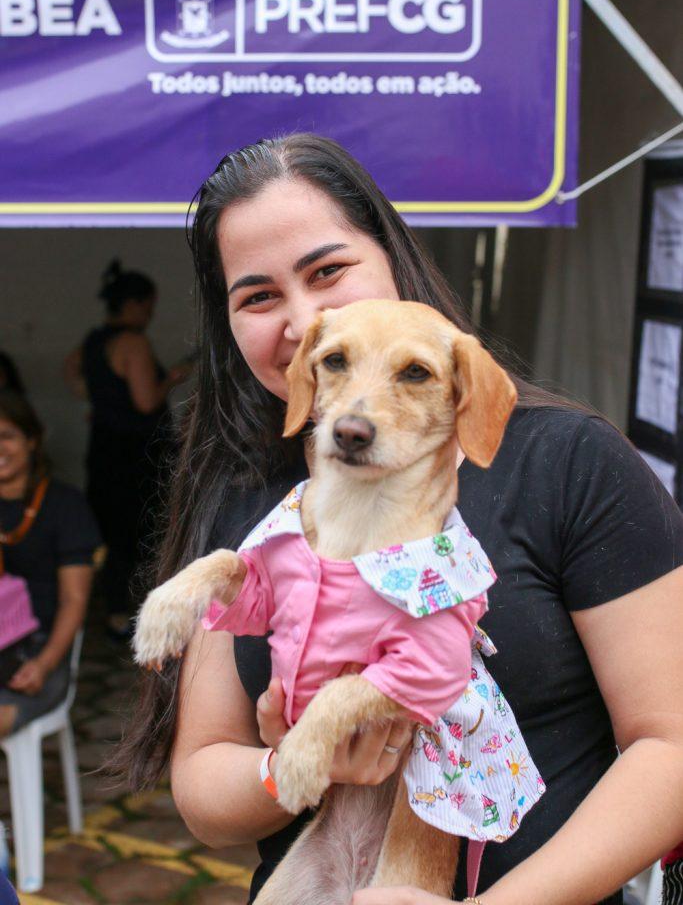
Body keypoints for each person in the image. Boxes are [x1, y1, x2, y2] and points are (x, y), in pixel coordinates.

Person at [112, 134, 683, 905]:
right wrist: (295, 763)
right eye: (257, 296)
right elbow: (204, 782)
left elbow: (670, 747)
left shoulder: (569, 464)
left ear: (392, 256)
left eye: (326, 270)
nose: (303, 318)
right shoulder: (252, 494)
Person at [64, 260, 191, 640]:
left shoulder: (92, 340)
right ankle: (136, 613)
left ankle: (115, 610)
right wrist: (173, 377)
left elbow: (71, 370)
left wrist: (96, 402)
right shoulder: (134, 342)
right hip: (136, 455)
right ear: (134, 304)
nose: (150, 315)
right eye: (148, 307)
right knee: (141, 531)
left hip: (103, 446)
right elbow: (145, 400)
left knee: (111, 527)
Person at [0, 391, 99, 737]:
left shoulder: (64, 506)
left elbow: (74, 600)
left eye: (7, 436)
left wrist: (43, 664)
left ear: (32, 440)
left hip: (40, 651)